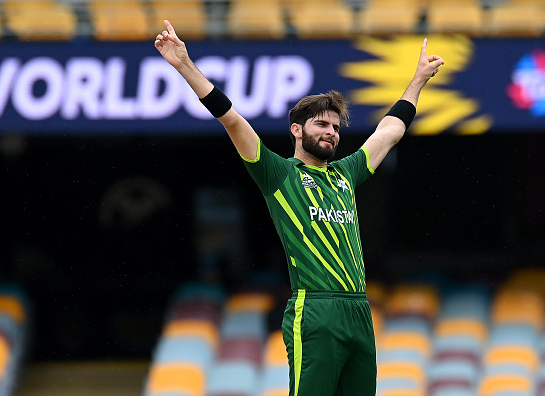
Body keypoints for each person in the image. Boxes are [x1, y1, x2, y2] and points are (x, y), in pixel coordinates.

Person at [155, 20, 444, 396]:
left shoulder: (346, 173)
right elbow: (231, 118)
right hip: (315, 309)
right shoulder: (277, 173)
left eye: (337, 128)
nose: (331, 133)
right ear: (297, 130)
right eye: (322, 124)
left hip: (359, 309)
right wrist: (184, 65)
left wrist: (419, 79)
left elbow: (389, 131)